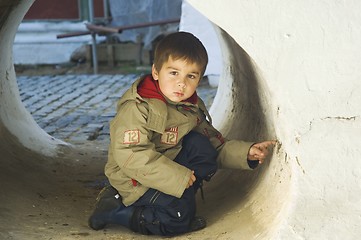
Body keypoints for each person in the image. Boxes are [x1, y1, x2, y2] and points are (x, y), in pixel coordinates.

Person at [88, 31, 276, 236]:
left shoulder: (189, 107)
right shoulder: (138, 108)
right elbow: (132, 156)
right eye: (174, 73)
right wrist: (177, 177)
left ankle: (178, 204)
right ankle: (117, 210)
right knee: (176, 221)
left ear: (199, 79)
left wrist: (245, 152)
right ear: (156, 71)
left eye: (191, 76)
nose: (182, 83)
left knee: (201, 148)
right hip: (133, 179)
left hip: (164, 168)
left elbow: (214, 143)